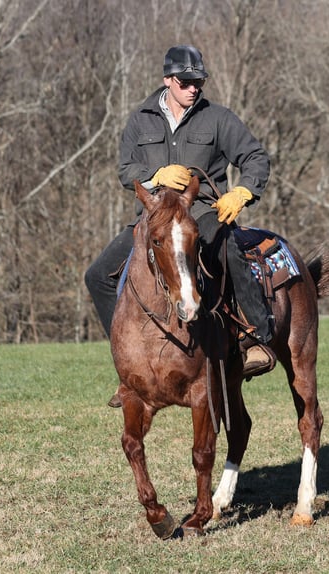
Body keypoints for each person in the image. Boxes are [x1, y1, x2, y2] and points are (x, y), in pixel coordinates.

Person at [85, 45, 275, 407]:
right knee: (97, 275)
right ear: (167, 80)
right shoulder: (141, 118)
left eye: (198, 82)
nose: (193, 88)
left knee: (229, 251)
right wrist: (154, 174)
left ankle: (256, 340)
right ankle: (128, 365)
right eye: (186, 82)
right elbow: (126, 169)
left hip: (201, 212)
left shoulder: (218, 118)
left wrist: (243, 192)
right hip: (154, 216)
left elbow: (255, 157)